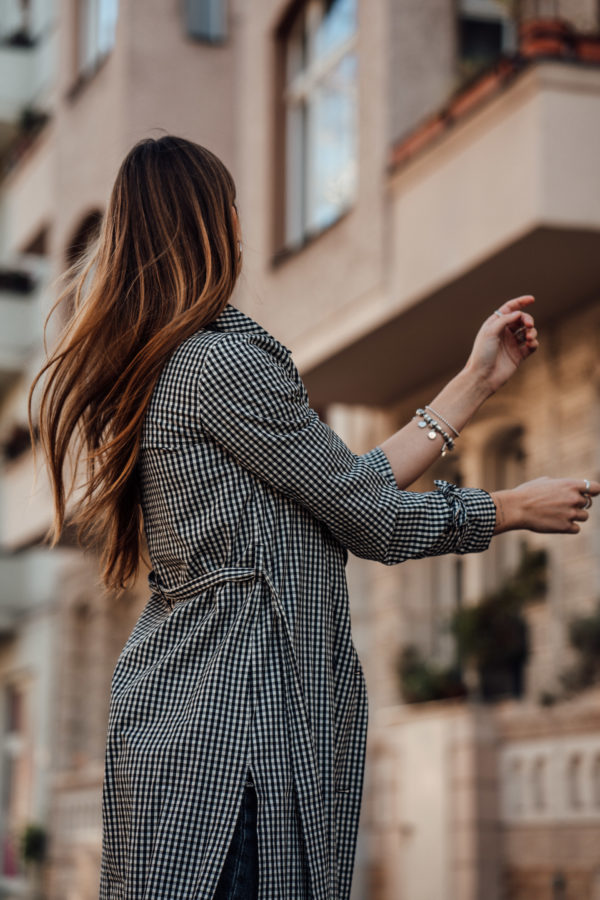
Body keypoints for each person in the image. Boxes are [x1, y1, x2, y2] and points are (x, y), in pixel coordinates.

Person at [28, 135, 599, 900]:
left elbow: (343, 490)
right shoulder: (221, 365)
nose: (240, 227)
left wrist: (475, 381)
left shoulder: (173, 366)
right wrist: (510, 506)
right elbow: (373, 520)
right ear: (205, 225)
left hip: (185, 726)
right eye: (230, 208)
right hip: (232, 744)